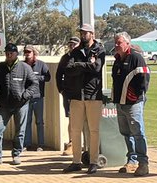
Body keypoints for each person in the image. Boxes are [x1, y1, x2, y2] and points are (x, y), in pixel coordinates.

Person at [62, 23, 105, 174]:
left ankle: (93, 161)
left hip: (93, 95)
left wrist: (79, 66)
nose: (83, 35)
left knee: (94, 130)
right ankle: (76, 161)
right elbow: (68, 69)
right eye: (81, 33)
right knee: (75, 130)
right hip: (76, 95)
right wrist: (86, 64)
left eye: (86, 33)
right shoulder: (76, 51)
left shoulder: (99, 49)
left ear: (92, 34)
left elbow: (97, 68)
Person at [0, 44, 34, 167]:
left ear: (16, 53)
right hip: (4, 105)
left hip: (21, 105)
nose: (9, 54)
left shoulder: (25, 68)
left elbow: (34, 84)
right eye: (7, 52)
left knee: (20, 131)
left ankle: (16, 154)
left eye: (11, 52)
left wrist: (24, 96)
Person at [111, 32, 150, 175]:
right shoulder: (117, 59)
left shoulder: (136, 58)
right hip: (120, 103)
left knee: (138, 133)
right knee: (126, 133)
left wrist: (136, 95)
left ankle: (143, 164)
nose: (116, 45)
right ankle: (132, 161)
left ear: (127, 43)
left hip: (134, 103)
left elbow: (144, 79)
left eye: (119, 42)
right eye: (115, 42)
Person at [23, 45, 51, 150]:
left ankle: (41, 144)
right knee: (26, 121)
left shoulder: (41, 64)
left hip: (38, 97)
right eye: (25, 51)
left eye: (29, 52)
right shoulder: (22, 64)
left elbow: (48, 77)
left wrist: (35, 77)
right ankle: (27, 144)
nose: (27, 53)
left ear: (34, 53)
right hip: (26, 98)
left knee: (39, 121)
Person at [58, 35, 79, 152]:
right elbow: (58, 74)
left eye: (74, 44)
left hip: (82, 93)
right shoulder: (65, 58)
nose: (71, 46)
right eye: (70, 44)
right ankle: (71, 143)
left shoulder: (83, 56)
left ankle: (85, 144)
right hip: (68, 93)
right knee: (71, 118)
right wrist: (60, 89)